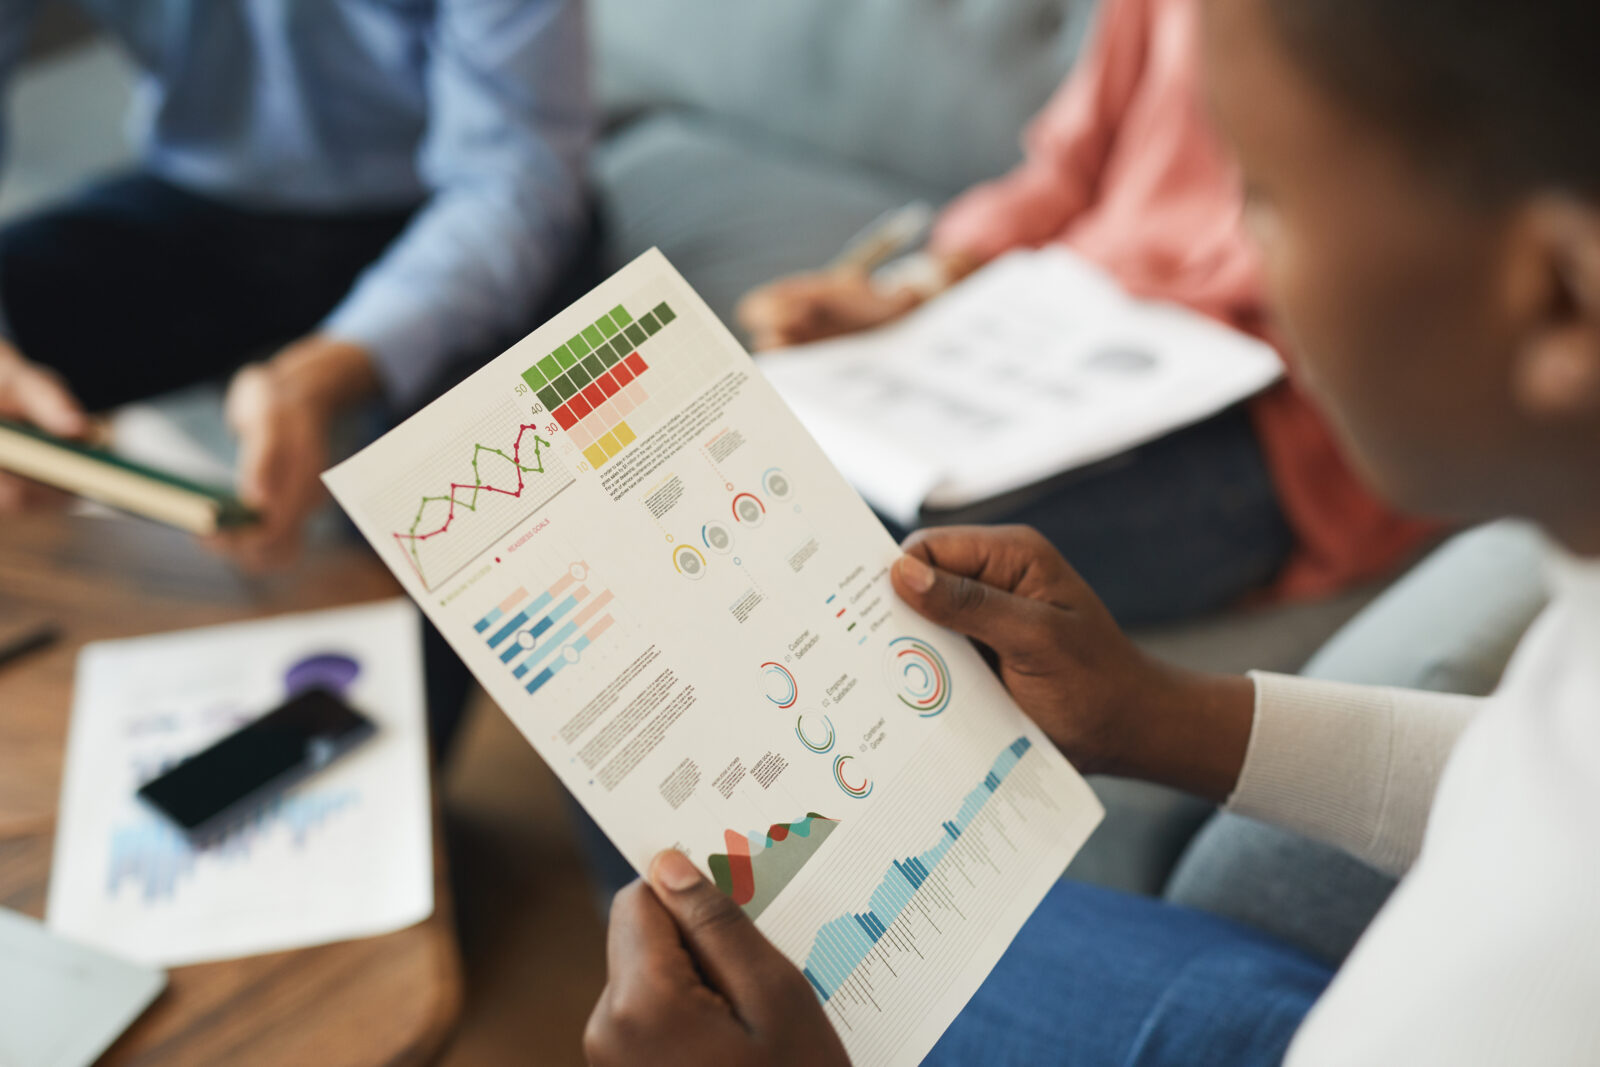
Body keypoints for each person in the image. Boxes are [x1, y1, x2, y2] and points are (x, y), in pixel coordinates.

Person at [583, 0, 1600, 1062]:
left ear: (1563, 298)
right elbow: (1522, 758)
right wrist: (1156, 714)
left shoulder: (1530, 997)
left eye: (1263, 200)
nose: (1238, 256)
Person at [738, 0, 1436, 627]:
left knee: (868, 569)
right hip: (1056, 331)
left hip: (1274, 419)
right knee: (744, 471)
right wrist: (913, 288)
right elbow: (1068, 171)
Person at [0, 1, 591, 569]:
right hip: (201, 197)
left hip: (446, 215)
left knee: (444, 524)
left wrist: (321, 374)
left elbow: (516, 183)